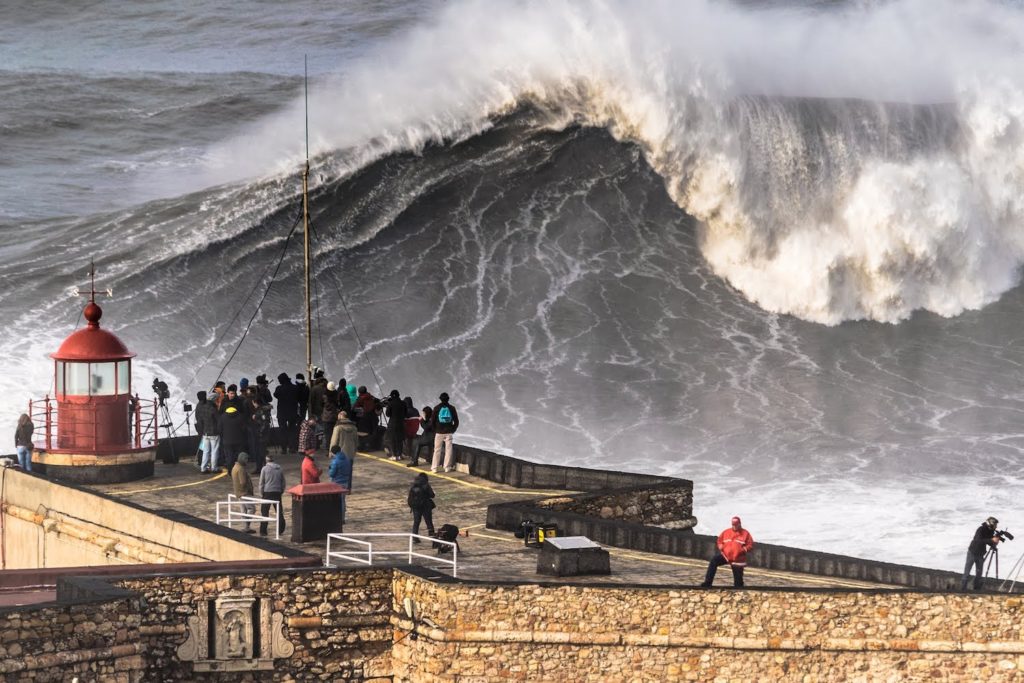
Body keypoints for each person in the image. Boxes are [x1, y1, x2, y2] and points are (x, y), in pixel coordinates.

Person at [700, 516, 754, 588]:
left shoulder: (745, 533)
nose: (734, 527)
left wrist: (742, 550)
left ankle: (738, 588)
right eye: (733, 525)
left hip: (737, 559)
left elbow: (750, 545)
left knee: (738, 582)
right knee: (714, 561)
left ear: (740, 524)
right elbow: (719, 540)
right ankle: (707, 583)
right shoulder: (726, 532)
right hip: (725, 555)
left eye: (736, 525)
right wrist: (720, 546)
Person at [961, 516, 1002, 591]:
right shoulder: (981, 529)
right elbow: (978, 540)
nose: (996, 527)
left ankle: (976, 589)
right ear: (991, 524)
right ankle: (963, 589)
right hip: (972, 552)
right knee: (967, 572)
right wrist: (991, 539)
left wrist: (993, 543)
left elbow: (988, 540)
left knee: (979, 573)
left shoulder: (990, 531)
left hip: (980, 554)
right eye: (995, 524)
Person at [219, 384, 249, 471]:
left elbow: (243, 413)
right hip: (227, 430)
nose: (232, 395)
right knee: (229, 454)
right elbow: (220, 413)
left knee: (237, 453)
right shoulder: (224, 401)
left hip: (237, 430)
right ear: (227, 393)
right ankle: (230, 468)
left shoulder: (239, 401)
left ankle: (237, 468)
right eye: (231, 393)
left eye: (234, 393)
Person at [429, 392, 459, 473]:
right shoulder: (452, 408)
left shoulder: (437, 408)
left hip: (439, 432)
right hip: (449, 432)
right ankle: (447, 467)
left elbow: (432, 421)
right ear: (448, 399)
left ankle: (434, 467)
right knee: (448, 450)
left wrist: (435, 430)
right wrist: (453, 429)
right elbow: (456, 421)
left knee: (437, 450)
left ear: (440, 399)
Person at [257, 453, 286, 536]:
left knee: (265, 511)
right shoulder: (279, 468)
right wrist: (281, 490)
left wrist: (262, 492)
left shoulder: (264, 469)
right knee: (279, 511)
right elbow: (283, 482)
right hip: (277, 492)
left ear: (266, 461)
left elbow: (261, 482)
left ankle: (263, 530)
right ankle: (281, 529)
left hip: (267, 492)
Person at [194, 391, 220, 473]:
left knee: (206, 451)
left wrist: (201, 431)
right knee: (214, 451)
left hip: (205, 433)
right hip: (214, 433)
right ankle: (214, 468)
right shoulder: (212, 408)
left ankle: (203, 468)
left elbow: (199, 420)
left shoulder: (200, 407)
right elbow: (218, 419)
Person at [273, 372, 300, 453]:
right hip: (292, 412)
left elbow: (275, 395)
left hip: (282, 413)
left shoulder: (279, 388)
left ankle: (284, 448)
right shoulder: (295, 388)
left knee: (283, 431)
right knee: (292, 430)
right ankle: (292, 447)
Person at [328, 445, 353, 525]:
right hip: (345, 482)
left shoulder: (335, 461)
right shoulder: (347, 459)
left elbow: (331, 474)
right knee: (343, 500)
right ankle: (342, 517)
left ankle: (337, 517)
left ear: (333, 452)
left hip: (336, 483)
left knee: (336, 501)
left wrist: (330, 468)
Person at [231, 452, 255, 533]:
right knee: (251, 508)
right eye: (246, 459)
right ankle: (247, 525)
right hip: (244, 493)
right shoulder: (241, 469)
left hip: (238, 492)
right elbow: (243, 482)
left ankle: (246, 526)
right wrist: (248, 490)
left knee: (243, 510)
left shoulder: (235, 467)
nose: (247, 461)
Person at [407, 472, 436, 542]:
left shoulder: (413, 485)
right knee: (429, 522)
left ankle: (415, 537)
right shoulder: (426, 485)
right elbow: (432, 495)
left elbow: (410, 496)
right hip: (425, 506)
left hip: (415, 507)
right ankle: (432, 538)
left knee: (416, 522)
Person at [384, 389, 407, 460]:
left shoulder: (391, 403)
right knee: (400, 440)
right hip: (401, 424)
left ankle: (394, 455)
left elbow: (387, 414)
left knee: (392, 439)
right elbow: (405, 413)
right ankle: (400, 455)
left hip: (392, 424)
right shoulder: (403, 403)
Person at [321, 382, 340, 452]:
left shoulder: (324, 396)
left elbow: (321, 404)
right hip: (334, 417)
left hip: (326, 417)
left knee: (327, 435)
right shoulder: (336, 395)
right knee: (334, 434)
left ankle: (327, 450)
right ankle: (334, 449)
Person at [403, 397, 421, 464]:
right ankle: (410, 454)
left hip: (409, 431)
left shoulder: (406, 411)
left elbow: (403, 421)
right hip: (415, 429)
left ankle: (408, 454)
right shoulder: (416, 410)